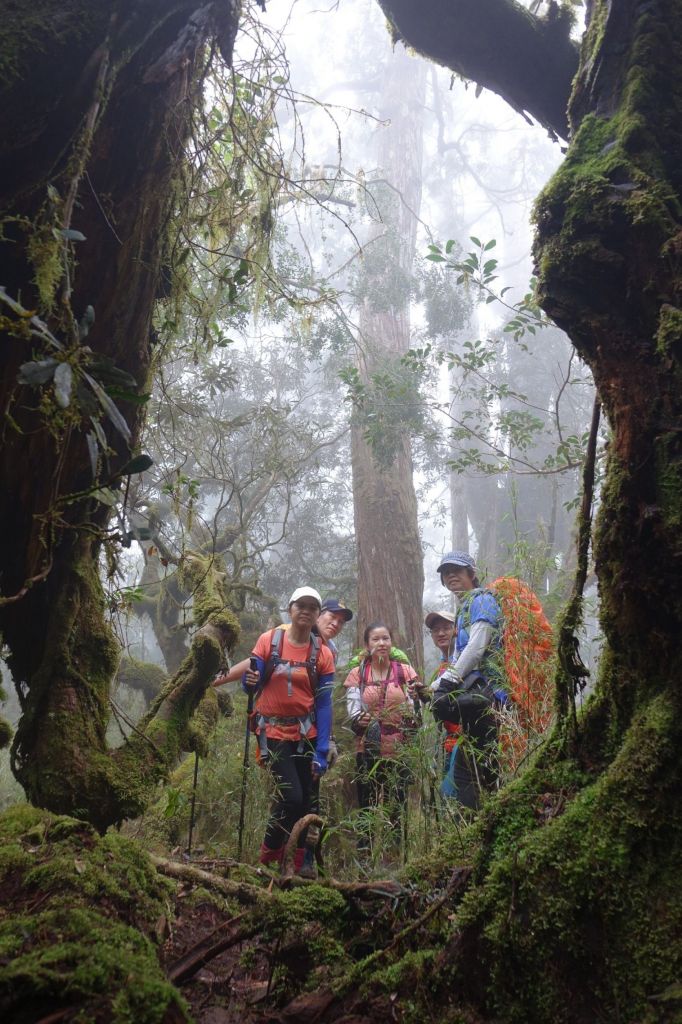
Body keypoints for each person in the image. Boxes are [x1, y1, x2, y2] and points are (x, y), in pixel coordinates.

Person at [243, 587, 335, 870]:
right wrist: (248, 682)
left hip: (305, 735)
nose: (306, 611)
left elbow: (324, 703)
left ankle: (297, 864)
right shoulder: (269, 641)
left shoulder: (323, 653)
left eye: (312, 607)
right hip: (271, 734)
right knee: (291, 796)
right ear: (290, 608)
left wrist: (321, 749)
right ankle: (269, 854)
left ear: (318, 614)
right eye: (301, 605)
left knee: (307, 800)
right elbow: (253, 680)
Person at [430, 551, 503, 810]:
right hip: (476, 704)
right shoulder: (464, 610)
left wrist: (447, 683)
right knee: (469, 775)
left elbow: (477, 646)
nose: (450, 575)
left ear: (472, 573)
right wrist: (433, 689)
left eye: (456, 570)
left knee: (485, 774)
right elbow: (459, 657)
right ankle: (476, 833)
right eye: (445, 572)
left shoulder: (482, 600)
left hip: (493, 702)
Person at [344, 622, 422, 853]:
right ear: (367, 645)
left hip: (399, 750)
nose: (381, 643)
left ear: (391, 642)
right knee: (366, 805)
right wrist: (359, 719)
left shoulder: (405, 672)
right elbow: (353, 708)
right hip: (367, 749)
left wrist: (414, 711)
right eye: (375, 639)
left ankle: (396, 857)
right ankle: (365, 859)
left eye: (385, 638)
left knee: (397, 807)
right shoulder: (358, 673)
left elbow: (414, 706)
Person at [424, 611, 460, 789]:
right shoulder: (442, 666)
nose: (441, 633)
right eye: (435, 630)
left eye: (447, 628)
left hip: (466, 742)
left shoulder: (463, 662)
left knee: (453, 794)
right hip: (450, 742)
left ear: (457, 630)